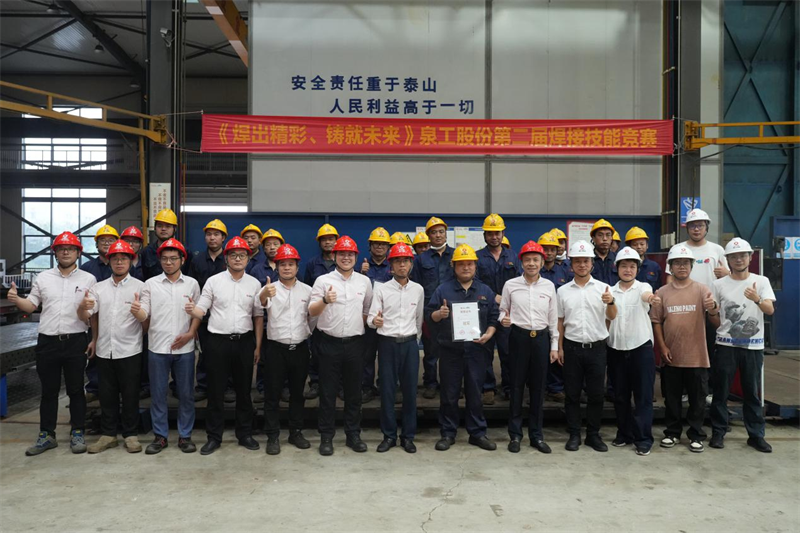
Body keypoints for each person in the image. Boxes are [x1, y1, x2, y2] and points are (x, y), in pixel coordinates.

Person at [9, 232, 96, 456]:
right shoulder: (43, 278)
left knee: (76, 390)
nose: (66, 252)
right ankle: (47, 435)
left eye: (70, 248)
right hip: (47, 342)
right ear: (55, 252)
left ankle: (77, 432)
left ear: (78, 253)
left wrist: (85, 309)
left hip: (75, 341)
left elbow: (88, 315)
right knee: (49, 391)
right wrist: (16, 300)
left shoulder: (88, 279)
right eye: (61, 248)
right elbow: (31, 306)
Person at [185, 236, 263, 455]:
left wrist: (257, 346)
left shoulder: (254, 284)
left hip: (244, 342)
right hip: (217, 342)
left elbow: (258, 316)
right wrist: (193, 310)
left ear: (248, 259)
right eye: (233, 255)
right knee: (216, 392)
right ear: (226, 258)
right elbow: (202, 308)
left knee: (244, 392)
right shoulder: (214, 281)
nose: (238, 259)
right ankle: (214, 437)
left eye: (242, 255)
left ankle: (244, 434)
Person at [427, 244, 499, 452]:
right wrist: (438, 314)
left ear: (475, 266)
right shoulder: (443, 290)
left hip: (477, 352)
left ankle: (477, 433)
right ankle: (448, 433)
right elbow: (429, 316)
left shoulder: (485, 291)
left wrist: (490, 333)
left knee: (475, 393)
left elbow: (494, 317)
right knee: (449, 394)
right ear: (454, 266)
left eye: (470, 264)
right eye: (461, 264)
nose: (466, 268)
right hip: (450, 352)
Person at [709, 238, 776, 453]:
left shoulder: (761, 281)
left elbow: (770, 310)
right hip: (725, 345)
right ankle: (718, 432)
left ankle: (756, 435)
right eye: (734, 257)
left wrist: (757, 299)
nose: (738, 260)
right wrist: (714, 315)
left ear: (750, 257)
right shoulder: (718, 284)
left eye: (742, 256)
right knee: (721, 391)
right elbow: (714, 315)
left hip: (752, 347)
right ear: (727, 260)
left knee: (751, 393)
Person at [78, 239, 145, 454]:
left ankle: (130, 434)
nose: (119, 262)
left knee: (130, 394)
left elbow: (146, 320)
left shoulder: (140, 287)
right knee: (107, 394)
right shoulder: (98, 288)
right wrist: (83, 308)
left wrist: (139, 313)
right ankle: (108, 435)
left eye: (124, 258)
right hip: (105, 349)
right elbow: (89, 315)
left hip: (130, 349)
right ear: (109, 261)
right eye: (115, 258)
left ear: (131, 261)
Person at [308, 236, 373, 456]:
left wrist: (355, 327)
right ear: (334, 256)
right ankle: (326, 436)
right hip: (328, 343)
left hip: (355, 344)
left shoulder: (364, 282)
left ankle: (353, 434)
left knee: (354, 393)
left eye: (350, 254)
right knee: (327, 392)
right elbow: (312, 312)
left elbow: (367, 310)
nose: (346, 257)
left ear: (356, 257)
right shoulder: (322, 280)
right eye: (342, 254)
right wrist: (325, 300)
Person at [135, 238, 200, 454]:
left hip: (184, 349)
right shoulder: (150, 284)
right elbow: (145, 313)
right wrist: (138, 312)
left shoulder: (192, 284)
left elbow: (197, 313)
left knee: (186, 394)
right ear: (159, 260)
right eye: (164, 259)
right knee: (158, 394)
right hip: (157, 348)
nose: (169, 263)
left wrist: (190, 333)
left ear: (182, 260)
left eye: (173, 258)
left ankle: (185, 436)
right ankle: (160, 436)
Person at [650, 244, 715, 453]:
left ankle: (696, 435)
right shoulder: (662, 292)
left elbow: (715, 320)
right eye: (677, 263)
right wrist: (662, 347)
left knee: (697, 399)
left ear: (691, 266)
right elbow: (656, 322)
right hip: (671, 356)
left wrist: (713, 308)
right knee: (672, 399)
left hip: (697, 356)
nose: (681, 267)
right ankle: (672, 433)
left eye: (685, 263)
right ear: (670, 267)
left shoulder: (702, 290)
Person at [557, 240, 617, 452]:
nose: (582, 265)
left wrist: (611, 302)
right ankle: (574, 434)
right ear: (571, 264)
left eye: (586, 261)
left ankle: (593, 434)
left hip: (597, 348)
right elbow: (560, 321)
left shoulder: (603, 289)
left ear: (592, 263)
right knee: (572, 394)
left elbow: (612, 317)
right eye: (577, 261)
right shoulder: (562, 291)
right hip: (572, 348)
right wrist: (559, 347)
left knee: (596, 394)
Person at [499, 241, 558, 454]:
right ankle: (515, 435)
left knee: (538, 388)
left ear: (542, 262)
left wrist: (554, 345)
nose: (531, 263)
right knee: (516, 387)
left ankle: (536, 435)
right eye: (527, 260)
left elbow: (553, 318)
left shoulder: (549, 286)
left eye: (535, 260)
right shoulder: (511, 285)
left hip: (541, 339)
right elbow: (503, 310)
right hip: (518, 338)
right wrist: (503, 319)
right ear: (521, 262)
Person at [666, 208, 729, 405]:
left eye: (700, 225)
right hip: (683, 309)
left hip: (709, 309)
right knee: (683, 350)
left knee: (708, 349)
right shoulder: (678, 248)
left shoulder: (717, 250)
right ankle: (685, 391)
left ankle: (706, 390)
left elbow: (730, 278)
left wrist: (726, 273)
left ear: (706, 227)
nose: (696, 229)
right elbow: (669, 278)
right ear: (687, 228)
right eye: (692, 225)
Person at [367, 242, 424, 454]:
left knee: (410, 392)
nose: (402, 265)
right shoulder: (381, 289)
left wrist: (414, 340)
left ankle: (408, 437)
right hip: (387, 344)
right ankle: (389, 436)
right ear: (391, 265)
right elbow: (371, 317)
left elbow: (419, 319)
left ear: (411, 264)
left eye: (406, 261)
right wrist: (375, 322)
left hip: (409, 344)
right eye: (397, 261)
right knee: (387, 392)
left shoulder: (418, 289)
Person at [258, 244, 313, 455]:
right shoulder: (269, 288)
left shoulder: (307, 290)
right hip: (275, 350)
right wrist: (264, 293)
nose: (287, 268)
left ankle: (295, 432)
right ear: (277, 267)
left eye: (291, 264)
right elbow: (261, 302)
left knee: (297, 394)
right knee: (272, 394)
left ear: (297, 267)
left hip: (300, 348)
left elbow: (313, 317)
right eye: (282, 264)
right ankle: (272, 435)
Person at [607, 247, 658, 456]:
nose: (628, 270)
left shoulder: (643, 287)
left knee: (643, 396)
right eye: (624, 266)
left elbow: (647, 296)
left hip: (640, 348)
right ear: (617, 268)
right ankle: (624, 433)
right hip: (616, 348)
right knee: (620, 396)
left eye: (632, 266)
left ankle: (643, 438)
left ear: (637, 269)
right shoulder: (610, 291)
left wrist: (651, 298)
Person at [475, 213, 520, 404]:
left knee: (508, 350)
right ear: (485, 235)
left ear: (503, 234)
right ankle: (488, 388)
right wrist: (494, 296)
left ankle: (509, 386)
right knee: (484, 350)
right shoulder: (477, 257)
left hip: (508, 311)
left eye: (497, 233)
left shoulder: (513, 256)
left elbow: (519, 282)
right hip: (485, 311)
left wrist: (507, 300)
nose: (494, 237)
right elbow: (475, 282)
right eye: (490, 233)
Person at [411, 216, 455, 399]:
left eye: (441, 232)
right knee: (430, 350)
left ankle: (450, 383)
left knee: (452, 351)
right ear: (428, 235)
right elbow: (415, 286)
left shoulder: (456, 255)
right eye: (434, 232)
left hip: (453, 311)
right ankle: (430, 383)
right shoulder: (421, 259)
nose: (438, 235)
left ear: (446, 234)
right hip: (429, 311)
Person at [187, 218, 228, 402]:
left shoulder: (229, 259)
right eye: (209, 234)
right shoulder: (197, 260)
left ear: (223, 238)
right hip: (203, 316)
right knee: (204, 352)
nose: (212, 238)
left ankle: (227, 387)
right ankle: (203, 386)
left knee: (226, 353)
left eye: (216, 234)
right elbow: (192, 288)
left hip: (225, 315)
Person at [79, 224, 118, 402]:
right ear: (96, 244)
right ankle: (94, 388)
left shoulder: (121, 264)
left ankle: (116, 388)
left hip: (117, 317)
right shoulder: (87, 268)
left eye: (111, 240)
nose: (107, 243)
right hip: (93, 318)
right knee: (94, 353)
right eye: (103, 240)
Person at [303, 223, 339, 400]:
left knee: (339, 353)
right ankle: (316, 383)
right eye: (324, 239)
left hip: (338, 315)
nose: (328, 242)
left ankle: (338, 385)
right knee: (316, 351)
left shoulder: (343, 262)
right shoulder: (312, 264)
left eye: (331, 239)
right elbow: (307, 288)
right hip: (318, 314)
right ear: (319, 242)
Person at [538, 232, 573, 402]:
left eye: (552, 249)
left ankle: (556, 388)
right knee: (539, 357)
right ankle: (539, 388)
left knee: (558, 353)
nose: (549, 253)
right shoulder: (534, 271)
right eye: (546, 249)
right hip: (538, 319)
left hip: (559, 319)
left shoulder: (565, 270)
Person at [251, 228, 284, 404]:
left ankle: (284, 388)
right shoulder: (256, 269)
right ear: (263, 248)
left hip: (284, 323)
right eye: (268, 244)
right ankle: (263, 389)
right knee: (263, 358)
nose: (272, 247)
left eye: (275, 244)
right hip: (263, 322)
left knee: (283, 358)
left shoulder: (287, 266)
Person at [360, 227, 392, 402]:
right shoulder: (362, 267)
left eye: (383, 244)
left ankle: (385, 386)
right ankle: (366, 387)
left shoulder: (394, 266)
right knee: (367, 355)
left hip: (389, 318)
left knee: (387, 356)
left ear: (388, 247)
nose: (380, 247)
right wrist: (361, 273)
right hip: (368, 318)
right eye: (376, 244)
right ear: (370, 246)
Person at [121, 225, 148, 397]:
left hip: (144, 312)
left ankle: (144, 385)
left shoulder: (147, 260)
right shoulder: (119, 262)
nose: (131, 244)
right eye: (127, 241)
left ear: (140, 244)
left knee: (144, 351)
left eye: (135, 241)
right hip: (122, 313)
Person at [141, 208, 192, 280]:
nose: (163, 229)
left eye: (168, 226)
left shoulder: (185, 251)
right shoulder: (146, 252)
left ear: (175, 229)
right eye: (159, 226)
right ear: (155, 228)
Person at [625, 227, 662, 291]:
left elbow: (658, 289)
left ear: (647, 246)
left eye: (642, 244)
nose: (639, 247)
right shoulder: (622, 266)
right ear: (629, 247)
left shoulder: (654, 267)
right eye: (635, 244)